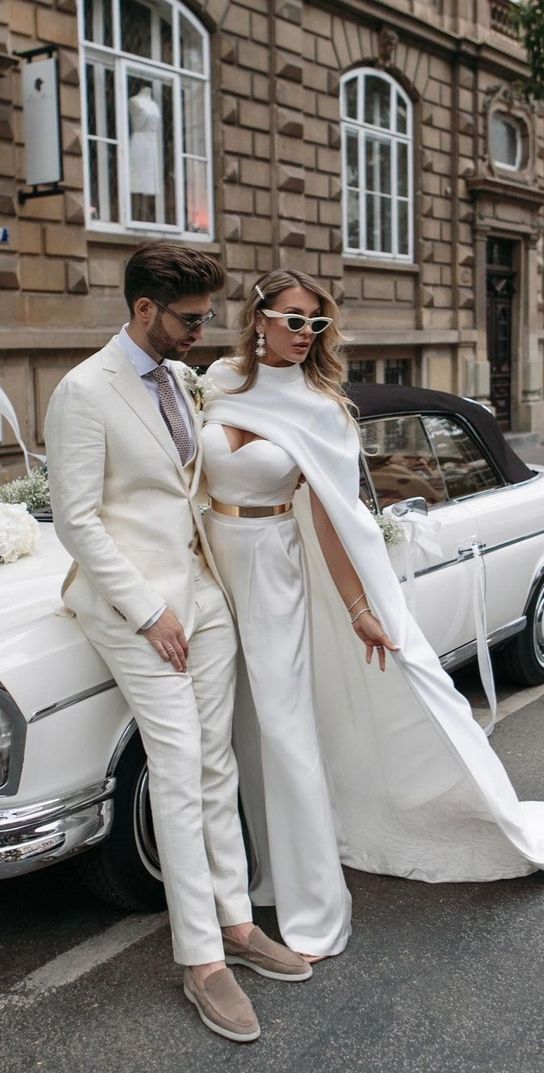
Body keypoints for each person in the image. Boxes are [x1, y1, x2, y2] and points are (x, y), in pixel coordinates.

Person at [201, 268, 544, 962]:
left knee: (287, 735)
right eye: (295, 318)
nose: (306, 334)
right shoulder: (216, 381)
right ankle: (258, 883)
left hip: (276, 574)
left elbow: (333, 512)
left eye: (317, 323)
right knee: (236, 733)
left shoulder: (320, 406)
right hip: (209, 570)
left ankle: (315, 911)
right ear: (259, 316)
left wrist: (360, 607)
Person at [45, 244, 312, 1044]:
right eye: (190, 320)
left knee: (216, 760)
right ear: (143, 311)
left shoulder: (182, 377)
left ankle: (235, 918)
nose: (201, 332)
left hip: (203, 593)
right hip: (135, 608)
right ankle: (200, 960)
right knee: (176, 762)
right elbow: (75, 518)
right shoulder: (82, 391)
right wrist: (146, 607)